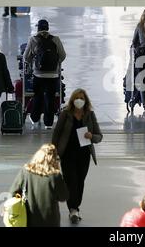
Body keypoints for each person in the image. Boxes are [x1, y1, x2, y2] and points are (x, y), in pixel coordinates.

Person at [52, 88, 103, 224]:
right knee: (71, 181)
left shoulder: (90, 115)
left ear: (85, 101)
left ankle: (75, 207)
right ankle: (73, 209)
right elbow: (57, 133)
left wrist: (92, 136)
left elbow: (99, 136)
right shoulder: (65, 114)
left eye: (81, 98)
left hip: (84, 155)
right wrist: (54, 151)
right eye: (76, 98)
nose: (79, 100)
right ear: (72, 100)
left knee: (80, 182)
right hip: (67, 154)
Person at [9, 143, 69, 227]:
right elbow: (64, 196)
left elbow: (13, 192)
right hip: (50, 220)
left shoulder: (25, 171)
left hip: (28, 217)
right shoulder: (55, 176)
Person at [23, 19, 66, 129]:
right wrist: (56, 64)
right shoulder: (56, 39)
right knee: (50, 98)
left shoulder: (33, 39)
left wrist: (33, 63)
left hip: (39, 75)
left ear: (38, 28)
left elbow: (26, 57)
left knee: (38, 96)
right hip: (53, 75)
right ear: (48, 28)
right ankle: (49, 123)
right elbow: (63, 55)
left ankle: (35, 118)